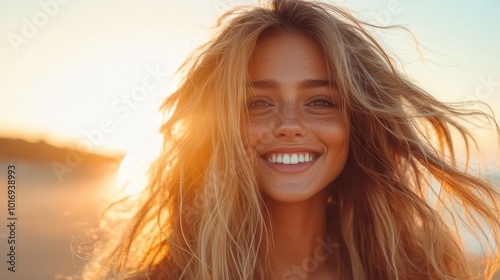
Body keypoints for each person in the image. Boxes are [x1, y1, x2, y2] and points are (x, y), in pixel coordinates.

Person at [82, 0, 500, 279]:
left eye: (319, 101)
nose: (288, 124)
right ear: (218, 127)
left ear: (359, 124)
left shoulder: (417, 272)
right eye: (258, 103)